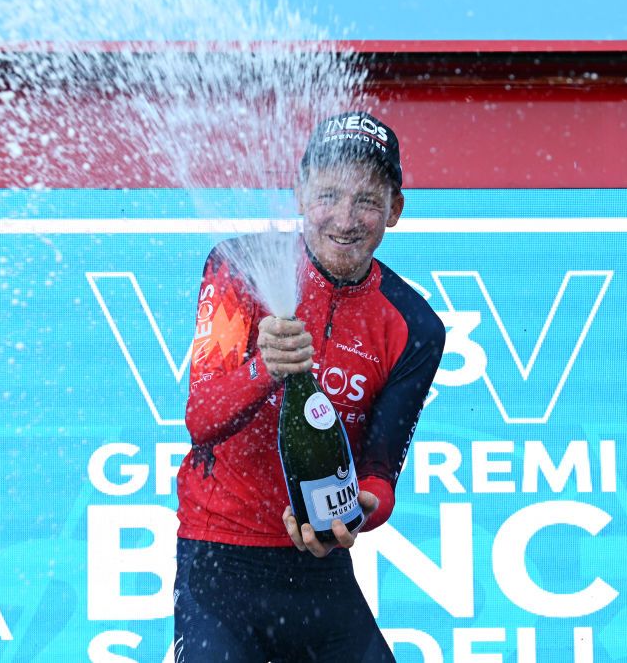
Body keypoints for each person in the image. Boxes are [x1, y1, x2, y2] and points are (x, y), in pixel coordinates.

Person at [174, 111, 445, 662]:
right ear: (300, 194)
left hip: (319, 567)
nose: (344, 219)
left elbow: (380, 471)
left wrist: (358, 513)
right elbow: (200, 417)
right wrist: (264, 370)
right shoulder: (237, 266)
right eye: (328, 195)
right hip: (219, 559)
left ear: (395, 210)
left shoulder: (415, 327)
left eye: (367, 201)